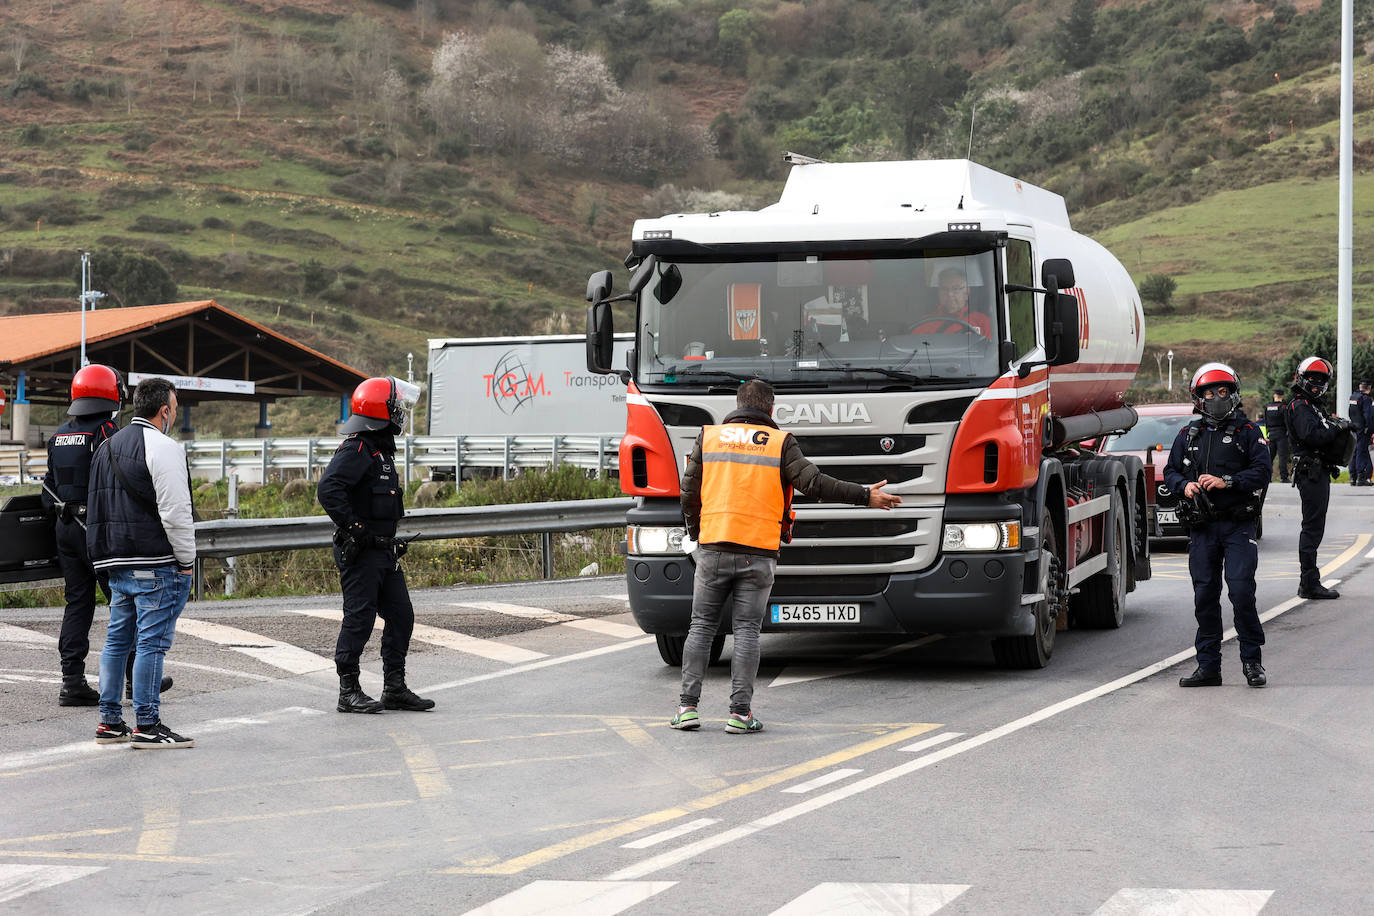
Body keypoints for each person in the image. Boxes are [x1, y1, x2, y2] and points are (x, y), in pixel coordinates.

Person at [673, 380, 902, 733]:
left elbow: (688, 492)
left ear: (737, 405)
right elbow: (815, 484)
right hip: (758, 553)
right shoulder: (780, 443)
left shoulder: (710, 437)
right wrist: (863, 496)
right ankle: (740, 713)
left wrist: (697, 536)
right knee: (747, 629)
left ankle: (687, 708)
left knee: (701, 626)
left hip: (714, 547)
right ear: (770, 410)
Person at [86, 377, 196, 748]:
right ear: (164, 410)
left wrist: (102, 560)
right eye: (175, 409)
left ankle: (110, 722)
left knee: (117, 642)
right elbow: (176, 512)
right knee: (151, 644)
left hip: (115, 561)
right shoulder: (164, 448)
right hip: (155, 561)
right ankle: (148, 724)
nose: (174, 415)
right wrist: (186, 559)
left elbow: (97, 508)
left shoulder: (107, 447)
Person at [317, 376, 433, 715]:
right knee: (360, 619)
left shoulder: (380, 449)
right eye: (395, 407)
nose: (400, 413)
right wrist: (356, 528)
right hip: (362, 552)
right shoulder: (357, 449)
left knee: (402, 616)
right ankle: (348, 690)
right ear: (379, 410)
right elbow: (329, 490)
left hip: (384, 551)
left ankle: (394, 688)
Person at [1164, 363, 1271, 688]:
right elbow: (1170, 472)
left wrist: (1227, 482)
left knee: (1241, 593)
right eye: (1209, 393)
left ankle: (1252, 662)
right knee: (1204, 597)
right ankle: (1208, 666)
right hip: (1202, 529)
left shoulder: (1249, 433)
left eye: (1222, 392)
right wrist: (1185, 485)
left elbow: (1262, 472)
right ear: (1198, 398)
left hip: (1237, 526)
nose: (1216, 398)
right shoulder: (1188, 435)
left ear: (1234, 393)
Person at [1286, 356, 1344, 599]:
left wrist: (1334, 425)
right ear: (1301, 378)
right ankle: (1308, 582)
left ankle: (1309, 580)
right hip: (1310, 472)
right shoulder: (1300, 405)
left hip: (1318, 471)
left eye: (1321, 379)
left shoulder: (1312, 405)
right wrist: (1336, 429)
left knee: (1315, 526)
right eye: (1312, 378)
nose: (1316, 383)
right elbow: (1312, 436)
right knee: (1312, 528)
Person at [912, 267, 991, 338]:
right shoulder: (925, 323)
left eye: (955, 289)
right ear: (938, 293)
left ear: (967, 293)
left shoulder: (982, 322)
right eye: (944, 289)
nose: (949, 294)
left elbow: (991, 351)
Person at [1346, 378, 1372, 486]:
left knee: (1354, 452)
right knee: (1362, 452)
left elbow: (1350, 412)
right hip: (1363, 429)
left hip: (1354, 426)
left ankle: (1353, 477)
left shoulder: (1353, 397)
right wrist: (1369, 428)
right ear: (1369, 388)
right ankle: (1361, 477)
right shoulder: (1365, 399)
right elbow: (1369, 416)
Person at [1263, 389, 1291, 483]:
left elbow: (1266, 421)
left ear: (1274, 395)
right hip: (1281, 434)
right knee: (1282, 456)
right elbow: (1287, 422)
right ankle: (1283, 477)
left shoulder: (1268, 407)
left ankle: (1267, 477)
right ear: (1282, 396)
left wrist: (1267, 432)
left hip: (1270, 433)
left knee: (1270, 457)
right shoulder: (1283, 407)